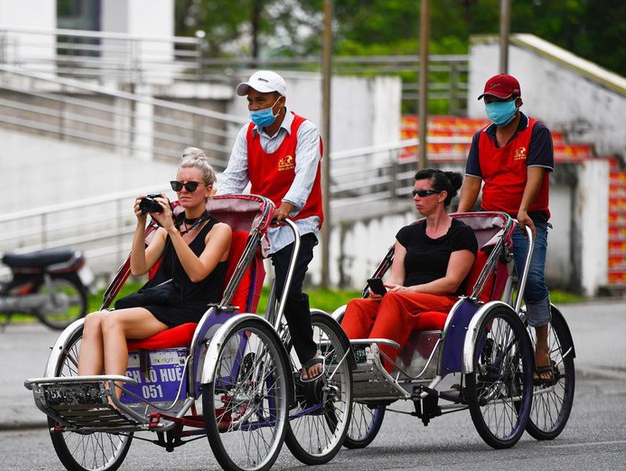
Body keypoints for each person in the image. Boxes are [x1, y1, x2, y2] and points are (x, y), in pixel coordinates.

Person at [77, 148, 232, 385]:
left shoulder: (219, 231)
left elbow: (198, 272)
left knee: (111, 320)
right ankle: (87, 397)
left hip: (192, 307)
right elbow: (138, 268)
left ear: (208, 190)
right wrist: (141, 224)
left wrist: (171, 228)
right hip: (164, 301)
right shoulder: (165, 229)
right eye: (177, 185)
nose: (182, 191)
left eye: (191, 186)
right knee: (92, 319)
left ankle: (113, 401)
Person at [217, 70, 324, 381]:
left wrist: (286, 206)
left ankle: (308, 353)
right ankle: (240, 351)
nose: (254, 107)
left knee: (288, 291)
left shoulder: (304, 131)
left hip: (297, 223)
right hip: (260, 224)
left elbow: (305, 175)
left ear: (281, 102)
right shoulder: (247, 133)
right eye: (250, 102)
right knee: (227, 284)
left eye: (260, 100)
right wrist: (218, 210)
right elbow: (233, 178)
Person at [457, 74, 555, 382]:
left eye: (499, 101)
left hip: (527, 219)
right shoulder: (481, 137)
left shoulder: (537, 132)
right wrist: (460, 219)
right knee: (472, 283)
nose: (493, 107)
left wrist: (523, 209)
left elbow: (535, 174)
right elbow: (472, 182)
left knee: (533, 281)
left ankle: (541, 348)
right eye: (489, 101)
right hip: (491, 221)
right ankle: (482, 344)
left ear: (517, 102)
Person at [341, 169, 478, 371]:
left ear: (442, 196)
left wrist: (409, 291)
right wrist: (384, 289)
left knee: (396, 299)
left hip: (443, 300)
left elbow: (452, 282)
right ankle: (343, 366)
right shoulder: (407, 234)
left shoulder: (461, 234)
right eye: (414, 193)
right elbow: (397, 278)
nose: (416, 198)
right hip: (404, 299)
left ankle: (378, 365)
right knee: (357, 305)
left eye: (423, 193)